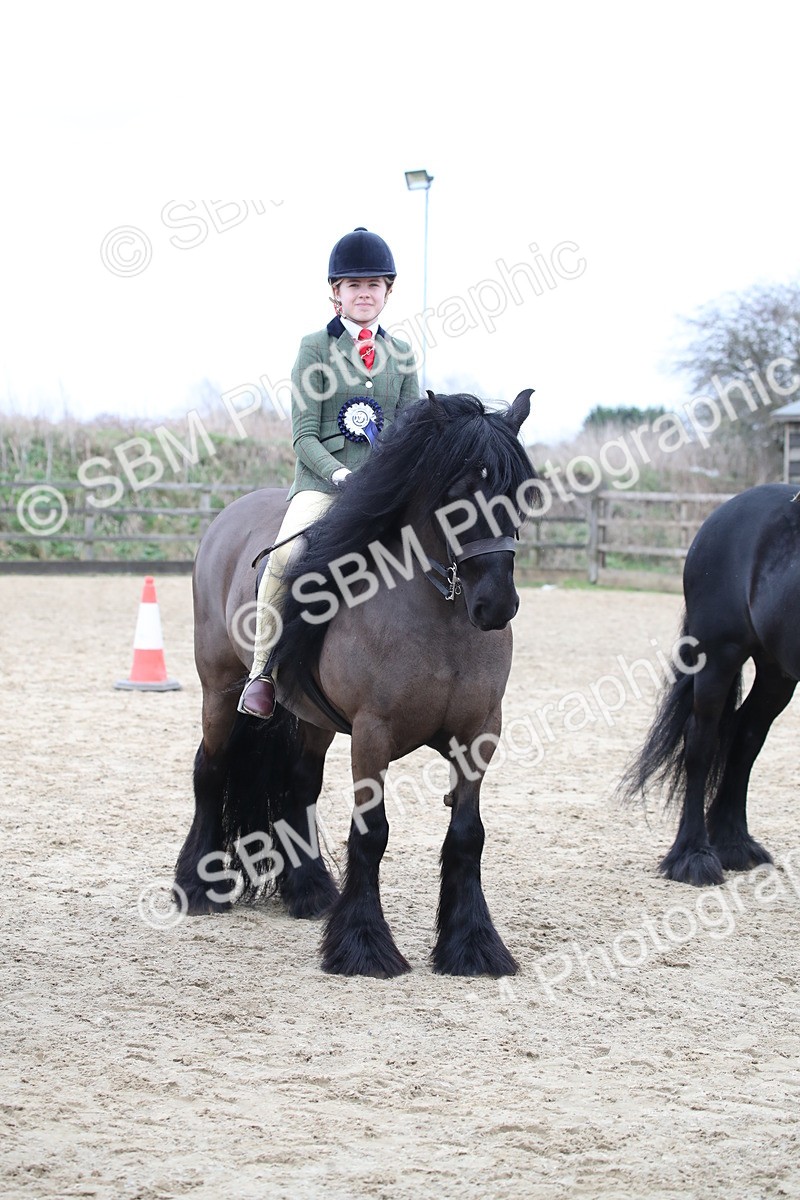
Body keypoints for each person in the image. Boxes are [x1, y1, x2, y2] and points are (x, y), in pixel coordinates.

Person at [239, 227, 421, 718]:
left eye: (373, 285)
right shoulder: (315, 348)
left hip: (383, 489)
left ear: (387, 292)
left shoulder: (403, 354)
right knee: (286, 556)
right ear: (335, 293)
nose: (364, 293)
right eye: (353, 285)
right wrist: (341, 476)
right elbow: (304, 436)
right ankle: (263, 672)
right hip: (324, 485)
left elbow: (408, 428)